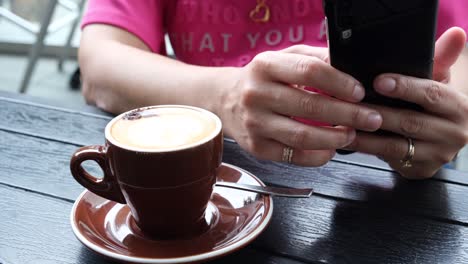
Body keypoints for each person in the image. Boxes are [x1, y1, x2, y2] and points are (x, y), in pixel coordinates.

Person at [78, 0, 468, 179]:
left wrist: (435, 128)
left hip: (379, 181)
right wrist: (224, 95)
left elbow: (458, 70)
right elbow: (100, 64)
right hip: (223, 177)